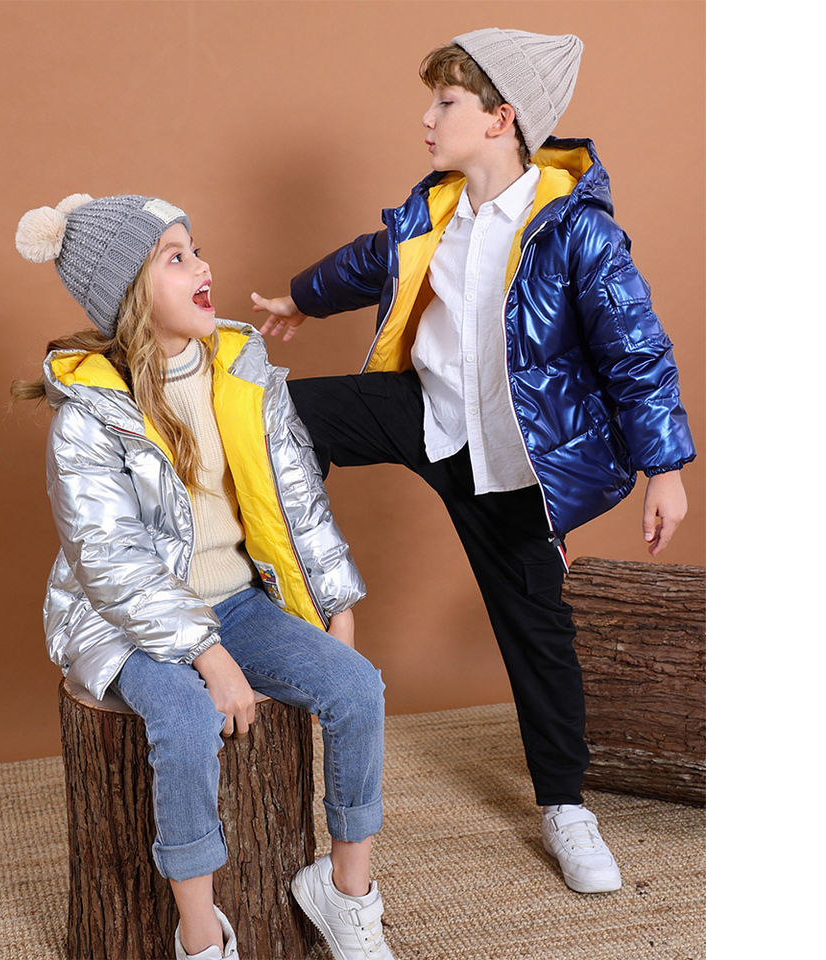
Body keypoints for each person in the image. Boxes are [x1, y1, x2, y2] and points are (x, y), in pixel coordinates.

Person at [251, 27, 696, 896]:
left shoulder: (576, 232)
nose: (427, 118)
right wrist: (301, 299)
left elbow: (636, 350)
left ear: (501, 119)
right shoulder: (436, 210)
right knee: (283, 413)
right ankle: (285, 574)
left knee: (538, 629)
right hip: (426, 413)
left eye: (446, 102)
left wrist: (666, 469)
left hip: (513, 460)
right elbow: (373, 258)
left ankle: (566, 806)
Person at [12, 192, 398, 960]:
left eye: (197, 249)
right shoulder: (89, 413)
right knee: (187, 720)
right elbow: (111, 560)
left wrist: (337, 602)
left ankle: (346, 891)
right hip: (125, 621)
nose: (203, 266)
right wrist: (205, 654)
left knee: (358, 687)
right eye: (176, 257)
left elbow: (296, 496)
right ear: (130, 290)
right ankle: (200, 934)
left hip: (238, 603)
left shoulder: (243, 371)